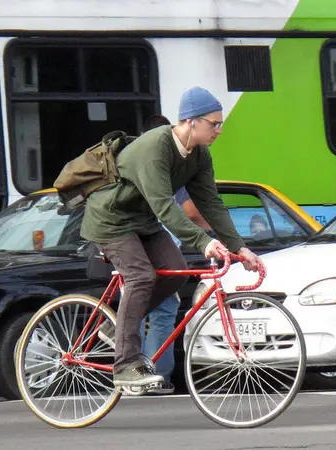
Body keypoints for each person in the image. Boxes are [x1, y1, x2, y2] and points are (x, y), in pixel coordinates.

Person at [80, 86, 262, 389]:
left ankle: (118, 329)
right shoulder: (156, 147)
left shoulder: (199, 155)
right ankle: (124, 365)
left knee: (176, 273)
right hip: (111, 220)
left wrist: (240, 247)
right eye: (214, 124)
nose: (220, 130)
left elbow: (211, 203)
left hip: (142, 221)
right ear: (191, 121)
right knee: (141, 276)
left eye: (221, 124)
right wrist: (204, 242)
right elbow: (164, 206)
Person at [122, 114, 212, 396]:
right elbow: (189, 210)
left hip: (141, 243)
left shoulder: (147, 161)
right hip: (148, 246)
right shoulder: (164, 164)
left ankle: (140, 369)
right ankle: (153, 374)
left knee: (146, 307)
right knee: (162, 312)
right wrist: (206, 235)